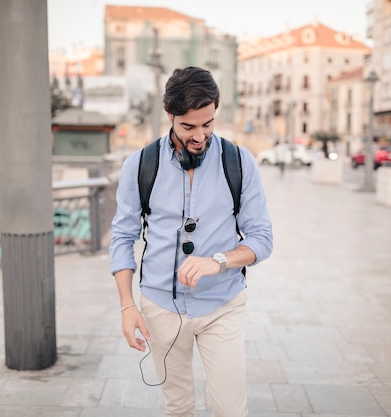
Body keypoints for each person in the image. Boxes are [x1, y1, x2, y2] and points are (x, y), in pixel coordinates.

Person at [110, 66, 273, 417]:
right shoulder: (139, 165)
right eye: (188, 127)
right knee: (178, 408)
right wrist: (127, 306)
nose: (200, 136)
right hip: (160, 308)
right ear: (170, 116)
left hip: (222, 305)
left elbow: (261, 239)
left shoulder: (241, 162)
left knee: (230, 410)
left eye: (208, 124)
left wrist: (218, 261)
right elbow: (122, 238)